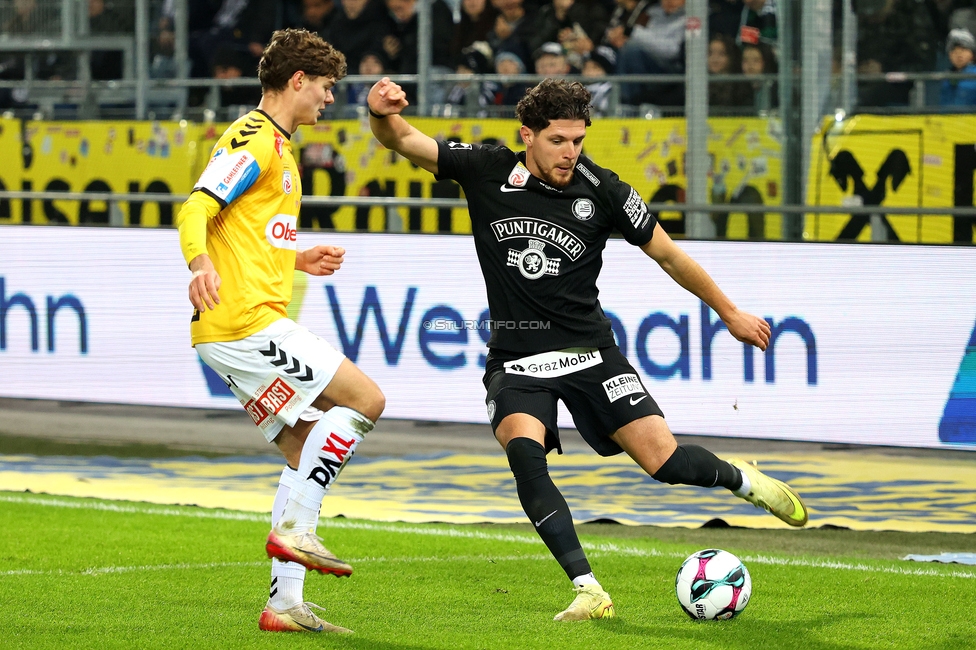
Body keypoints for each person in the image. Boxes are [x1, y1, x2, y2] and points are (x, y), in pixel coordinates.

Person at [367, 77, 808, 621]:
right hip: (517, 358)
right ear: (526, 135)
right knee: (524, 452)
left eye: (578, 140)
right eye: (558, 141)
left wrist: (729, 312)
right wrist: (377, 111)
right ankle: (588, 589)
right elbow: (400, 139)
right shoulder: (484, 168)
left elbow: (670, 257)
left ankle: (744, 480)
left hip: (590, 350)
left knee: (663, 462)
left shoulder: (604, 189)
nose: (570, 152)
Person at [176, 28, 385, 634]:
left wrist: (296, 257)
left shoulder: (278, 147)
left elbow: (245, 230)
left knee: (303, 448)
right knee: (365, 399)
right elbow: (197, 208)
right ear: (297, 81)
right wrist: (199, 263)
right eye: (323, 88)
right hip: (245, 321)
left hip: (231, 327)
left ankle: (284, 605)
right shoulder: (255, 138)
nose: (328, 99)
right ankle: (297, 530)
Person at [941, 28, 976, 107]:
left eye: (963, 49)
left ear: (972, 54)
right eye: (954, 50)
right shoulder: (946, 77)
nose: (959, 54)